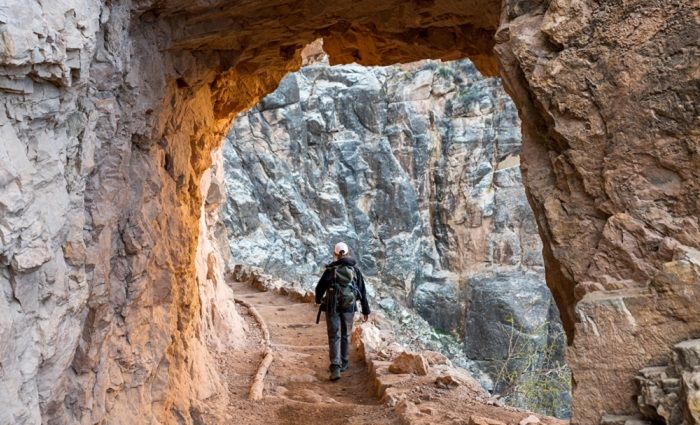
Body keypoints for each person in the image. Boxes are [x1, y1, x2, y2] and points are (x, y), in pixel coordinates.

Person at [315, 242, 370, 381]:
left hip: (332, 307)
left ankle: (335, 367)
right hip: (349, 307)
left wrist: (318, 300)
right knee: (345, 334)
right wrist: (365, 310)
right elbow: (362, 291)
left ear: (335, 254)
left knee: (334, 336)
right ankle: (344, 362)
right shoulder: (355, 270)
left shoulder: (331, 270)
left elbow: (319, 288)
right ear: (348, 253)